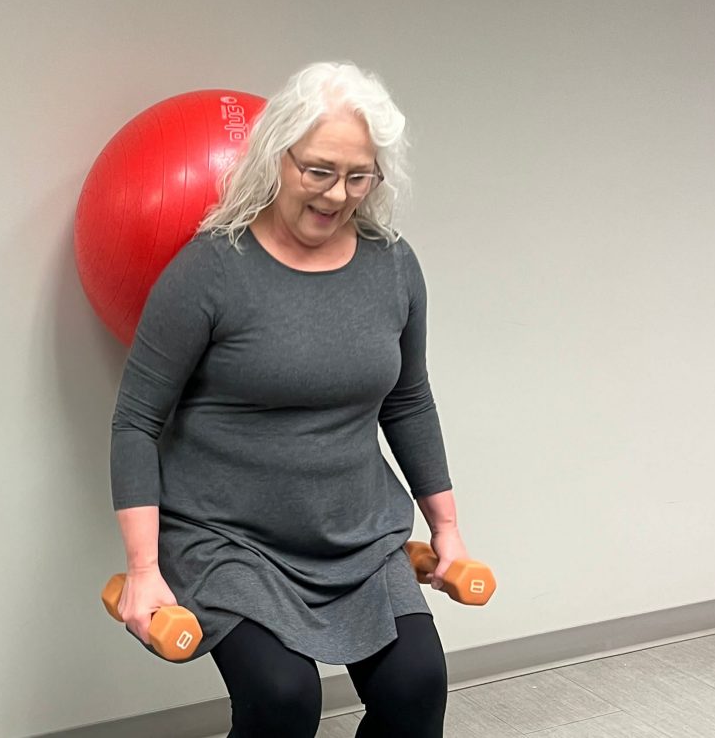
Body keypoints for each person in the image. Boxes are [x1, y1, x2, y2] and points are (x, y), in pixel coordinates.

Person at [110, 61, 470, 737]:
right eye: (319, 170)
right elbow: (136, 419)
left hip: (358, 534)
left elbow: (409, 402)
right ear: (279, 156)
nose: (337, 194)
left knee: (416, 690)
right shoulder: (210, 270)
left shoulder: (393, 264)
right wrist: (143, 569)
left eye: (358, 176)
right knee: (282, 700)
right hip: (229, 539)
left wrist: (445, 529)